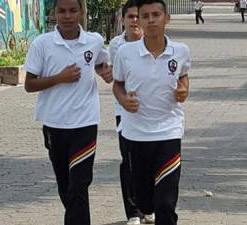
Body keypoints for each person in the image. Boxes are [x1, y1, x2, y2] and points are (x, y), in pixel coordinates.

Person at [23, 0, 113, 224]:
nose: (67, 16)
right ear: (54, 13)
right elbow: (29, 84)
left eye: (73, 11)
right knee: (66, 186)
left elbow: (101, 61)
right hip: (54, 125)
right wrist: (58, 78)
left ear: (82, 12)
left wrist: (105, 72)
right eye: (62, 11)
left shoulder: (94, 40)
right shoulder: (42, 44)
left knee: (79, 184)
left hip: (85, 123)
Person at [112, 0, 190, 224]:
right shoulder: (125, 52)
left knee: (165, 202)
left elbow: (183, 77)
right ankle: (143, 207)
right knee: (145, 201)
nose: (150, 19)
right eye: (145, 16)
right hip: (136, 133)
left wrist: (184, 89)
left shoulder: (181, 51)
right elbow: (117, 84)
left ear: (167, 18)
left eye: (156, 14)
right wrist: (124, 99)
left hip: (169, 131)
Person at [107, 1, 153, 225]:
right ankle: (133, 211)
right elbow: (116, 79)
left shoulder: (154, 42)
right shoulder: (116, 46)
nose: (135, 21)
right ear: (123, 20)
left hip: (153, 111)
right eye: (131, 17)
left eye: (138, 17)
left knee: (150, 160)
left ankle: (148, 207)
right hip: (124, 111)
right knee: (129, 160)